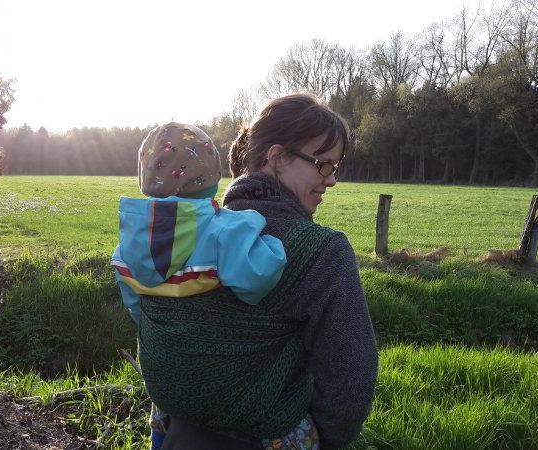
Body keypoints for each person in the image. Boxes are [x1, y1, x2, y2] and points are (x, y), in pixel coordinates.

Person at [137, 95, 378, 450]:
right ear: (277, 157)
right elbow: (350, 376)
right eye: (322, 165)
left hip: (173, 432)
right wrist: (322, 440)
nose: (331, 180)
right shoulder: (320, 250)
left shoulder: (175, 234)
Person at [111, 122, 287, 450]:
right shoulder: (224, 232)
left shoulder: (125, 249)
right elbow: (258, 280)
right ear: (211, 176)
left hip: (162, 382)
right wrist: (257, 227)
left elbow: (139, 311)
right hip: (219, 390)